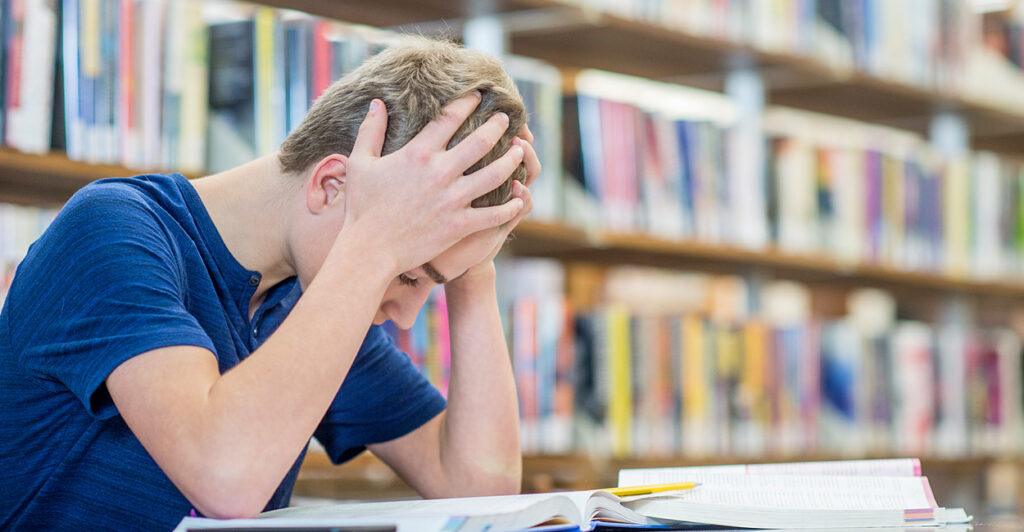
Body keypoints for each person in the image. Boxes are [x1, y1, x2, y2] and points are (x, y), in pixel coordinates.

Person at [0, 36, 541, 530]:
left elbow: (479, 490)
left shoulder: (303, 298)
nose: (404, 314)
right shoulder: (112, 231)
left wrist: (474, 261)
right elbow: (226, 478)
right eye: (407, 273)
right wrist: (376, 242)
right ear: (333, 185)